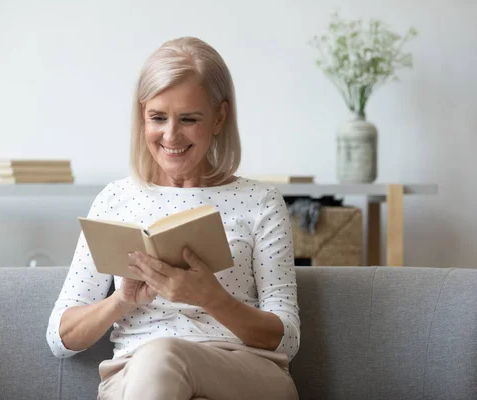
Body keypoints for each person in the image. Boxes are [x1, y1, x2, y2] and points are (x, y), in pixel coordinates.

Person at [47, 36, 300, 400]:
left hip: (244, 372)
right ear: (142, 116)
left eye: (188, 119)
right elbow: (60, 337)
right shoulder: (116, 200)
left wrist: (211, 298)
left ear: (220, 117)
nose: (170, 135)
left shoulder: (260, 201)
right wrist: (122, 301)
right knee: (159, 360)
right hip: (135, 376)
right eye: (157, 117)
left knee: (165, 355)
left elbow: (287, 339)